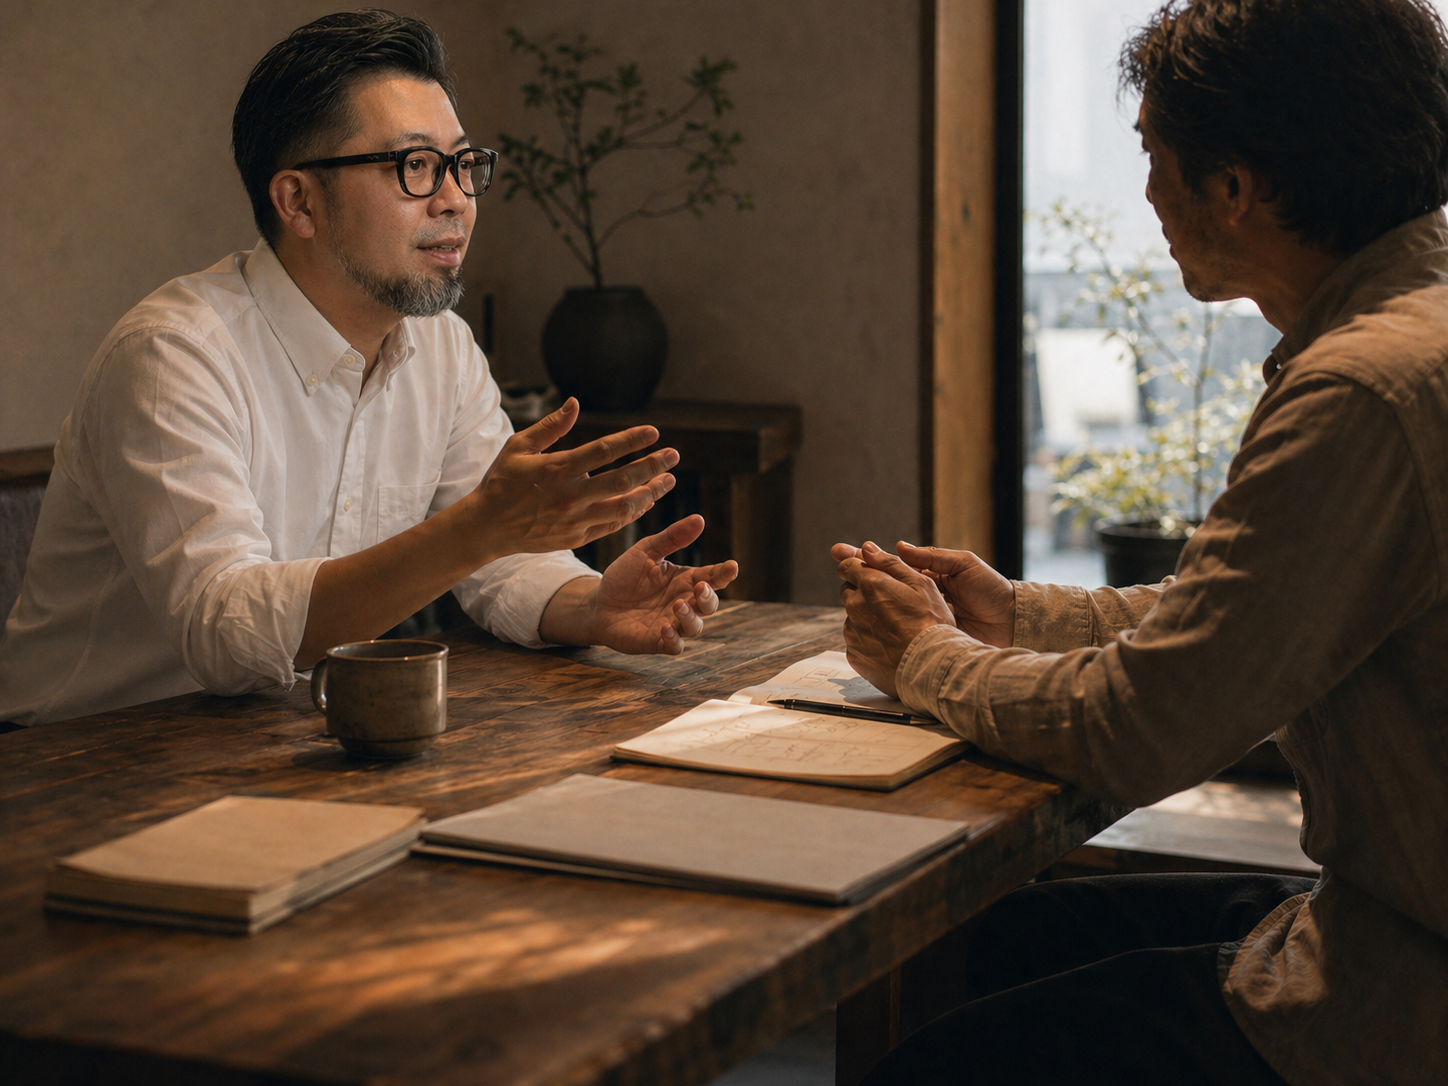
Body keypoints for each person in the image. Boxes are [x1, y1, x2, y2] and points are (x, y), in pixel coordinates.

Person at [836, 1, 1448, 1083]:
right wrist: (1022, 614)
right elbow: (1267, 607)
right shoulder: (1414, 326)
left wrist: (923, 659)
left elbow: (1139, 730)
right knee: (1001, 942)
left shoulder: (1361, 387)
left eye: (1152, 157)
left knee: (926, 1065)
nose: (1149, 196)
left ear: (1232, 186)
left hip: (1394, 999)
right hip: (1385, 920)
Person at [0, 11, 737, 728]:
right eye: (415, 166)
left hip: (283, 740)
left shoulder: (441, 347)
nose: (454, 200)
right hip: (72, 764)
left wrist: (593, 607)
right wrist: (477, 528)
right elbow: (225, 635)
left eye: (462, 164)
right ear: (299, 200)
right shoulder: (172, 356)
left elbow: (501, 564)